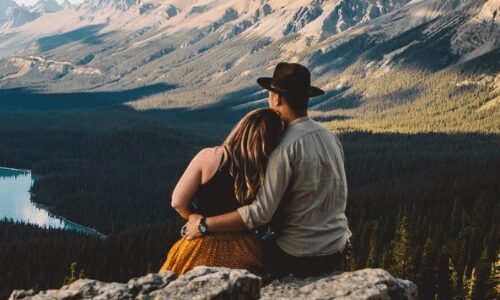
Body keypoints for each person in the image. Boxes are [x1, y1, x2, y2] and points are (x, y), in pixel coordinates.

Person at [184, 62, 352, 278]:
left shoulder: (282, 147)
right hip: (337, 247)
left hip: (297, 254)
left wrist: (204, 225)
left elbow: (260, 213)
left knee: (236, 263)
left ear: (276, 98)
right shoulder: (329, 137)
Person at [159, 108, 285, 275]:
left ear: (240, 128)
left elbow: (177, 201)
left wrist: (195, 218)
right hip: (245, 248)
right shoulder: (268, 169)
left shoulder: (209, 156)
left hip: (201, 244)